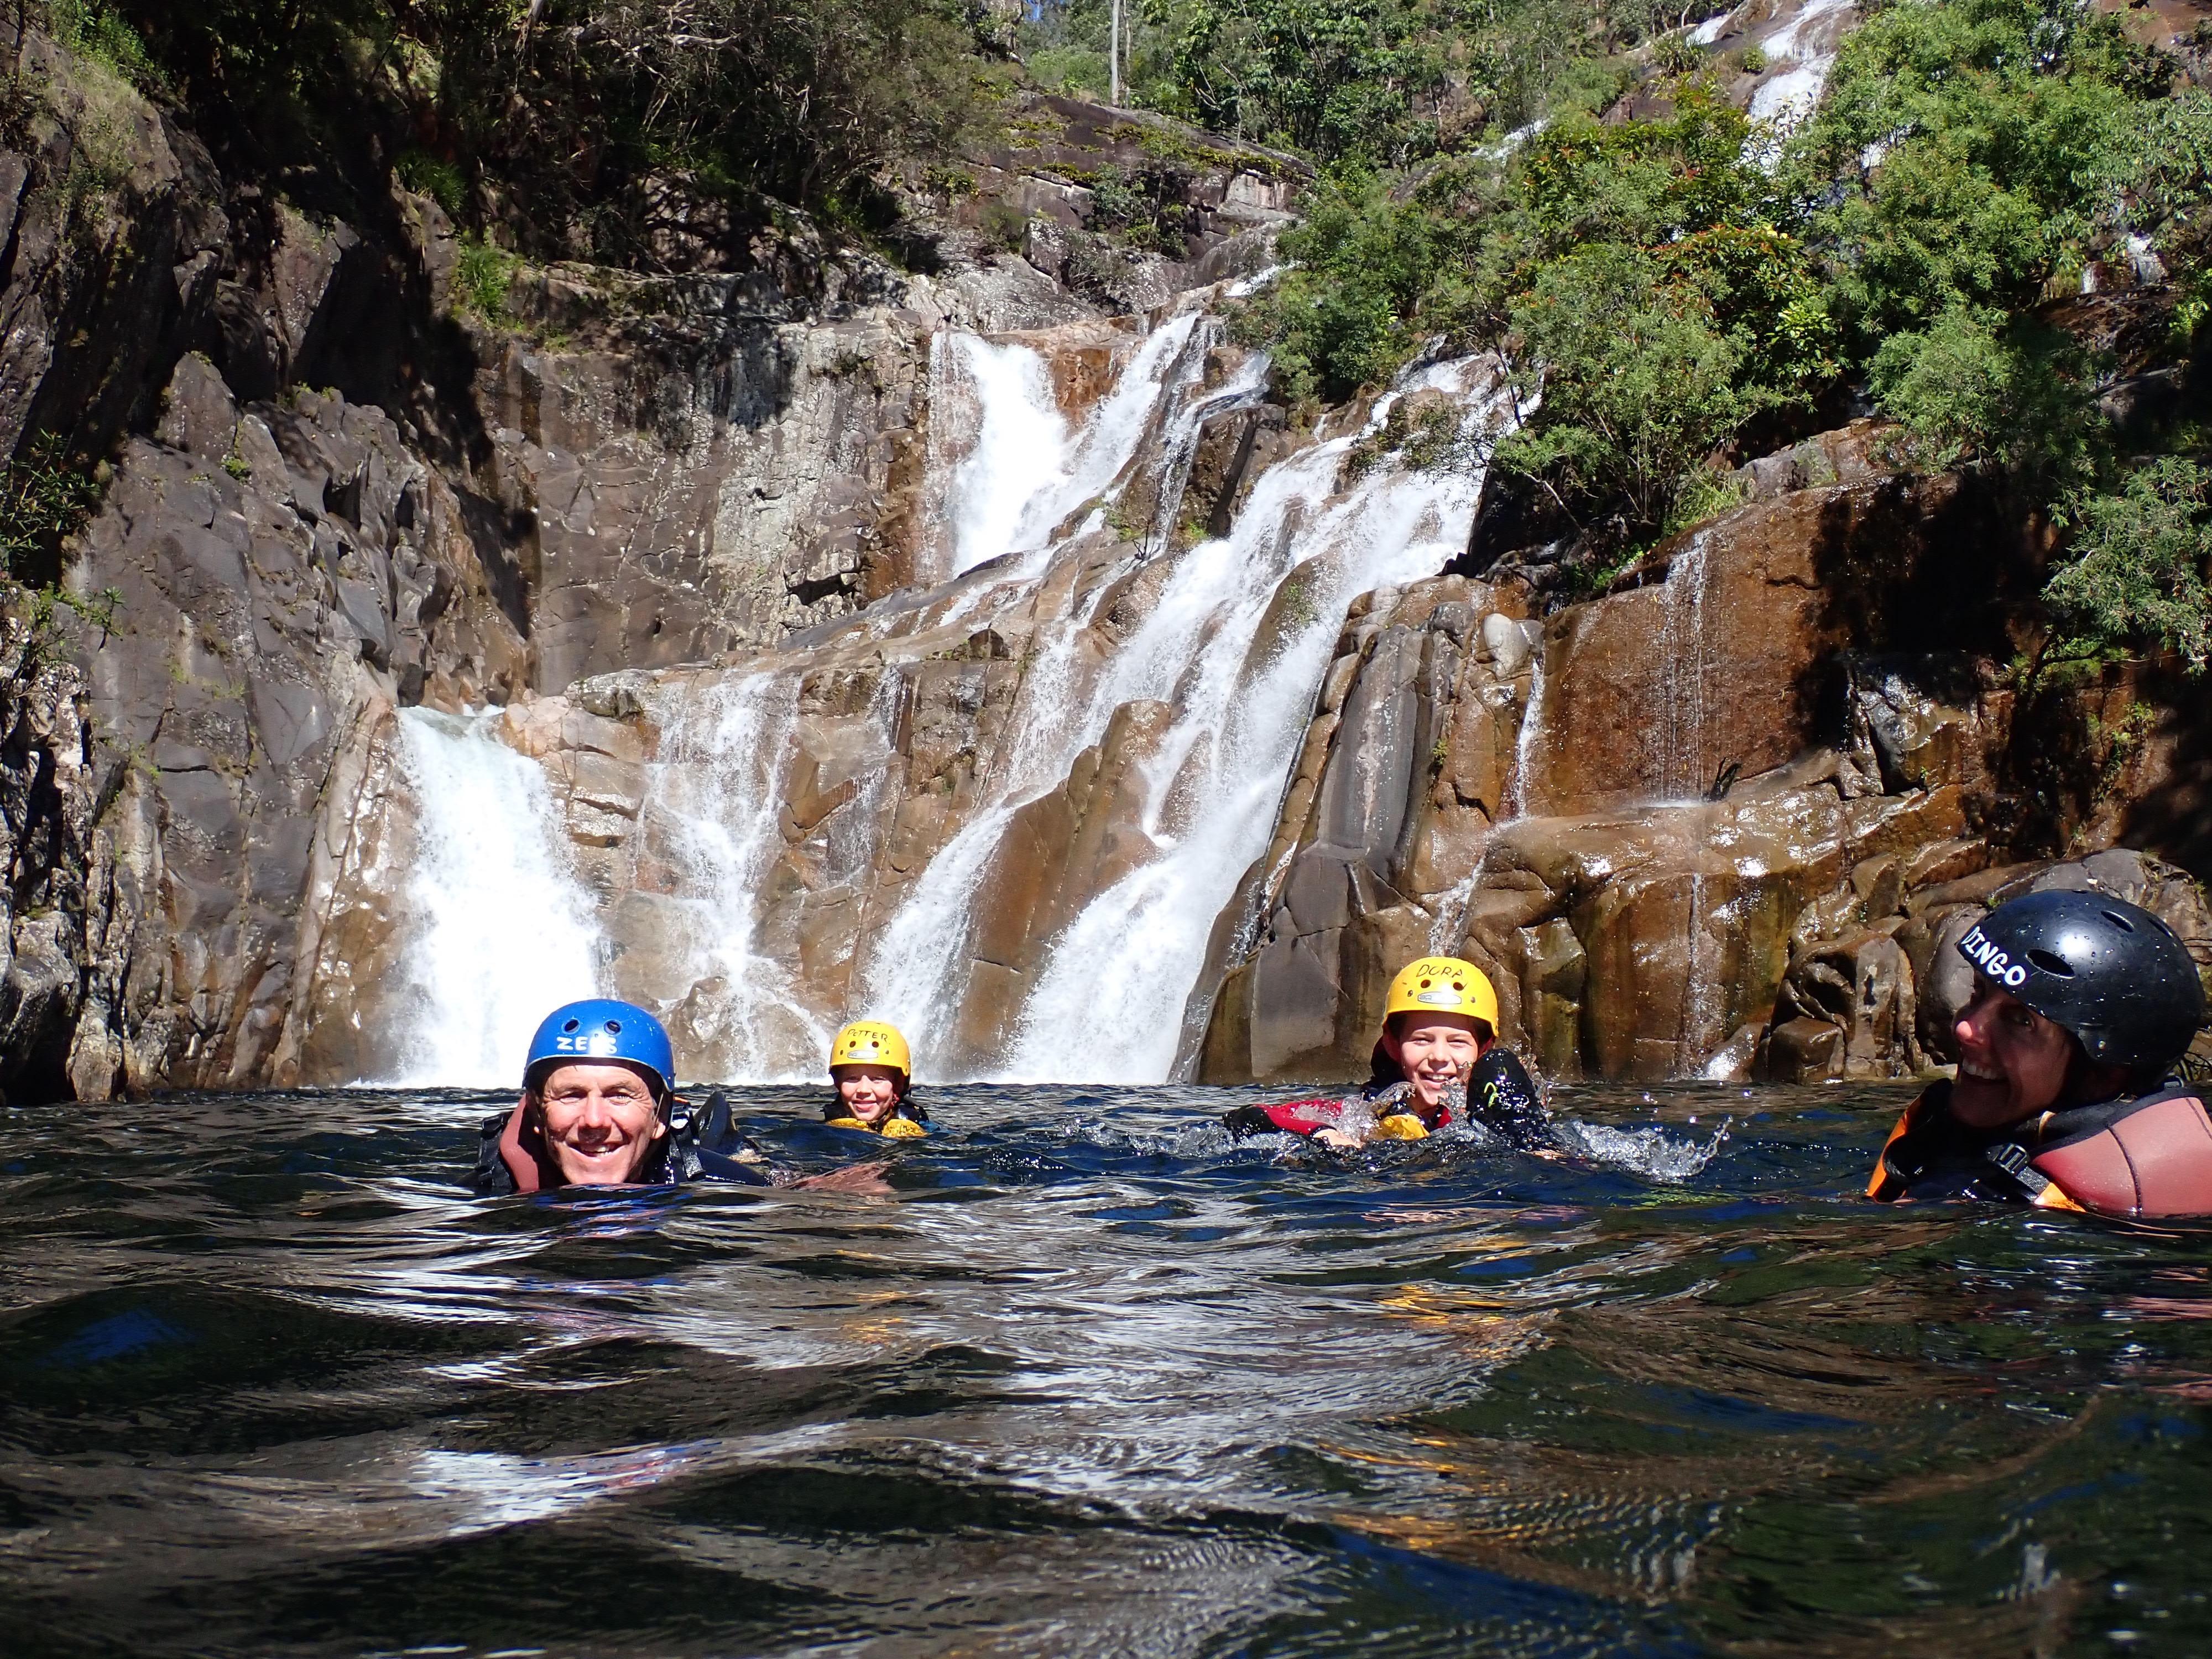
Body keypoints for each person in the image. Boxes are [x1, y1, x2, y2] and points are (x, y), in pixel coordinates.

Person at [1867, 890, 2212, 1218]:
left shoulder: (2084, 1230)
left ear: (2103, 1075)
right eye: (1978, 993)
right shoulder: (1946, 1144)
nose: (1966, 1028)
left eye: (2021, 1020)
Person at [469, 999, 872, 1194]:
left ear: (661, 1116)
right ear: (538, 1114)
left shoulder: (721, 1183)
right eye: (571, 1096)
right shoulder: (486, 1194)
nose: (594, 1120)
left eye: (620, 1096)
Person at [1222, 956, 1559, 1151]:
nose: (1439, 1057)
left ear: (1482, 1048)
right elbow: (1247, 1117)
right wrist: (1323, 1135)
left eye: (1457, 1042)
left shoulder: (1491, 1114)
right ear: (1394, 1045)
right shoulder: (1362, 1114)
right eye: (1422, 1040)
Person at [823, 1020, 929, 1137]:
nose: (864, 1090)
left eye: (877, 1079)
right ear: (838, 1083)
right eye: (852, 1079)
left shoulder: (917, 1131)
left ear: (898, 1087)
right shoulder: (827, 1131)